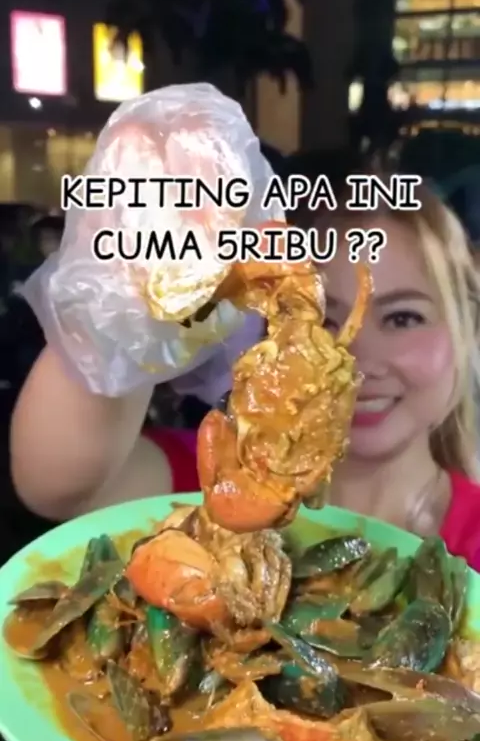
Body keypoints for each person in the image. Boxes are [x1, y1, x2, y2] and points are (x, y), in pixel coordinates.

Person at [10, 178, 480, 565]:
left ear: (468, 329)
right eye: (322, 322)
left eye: (403, 318)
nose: (356, 357)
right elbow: (58, 486)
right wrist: (140, 294)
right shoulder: (211, 479)